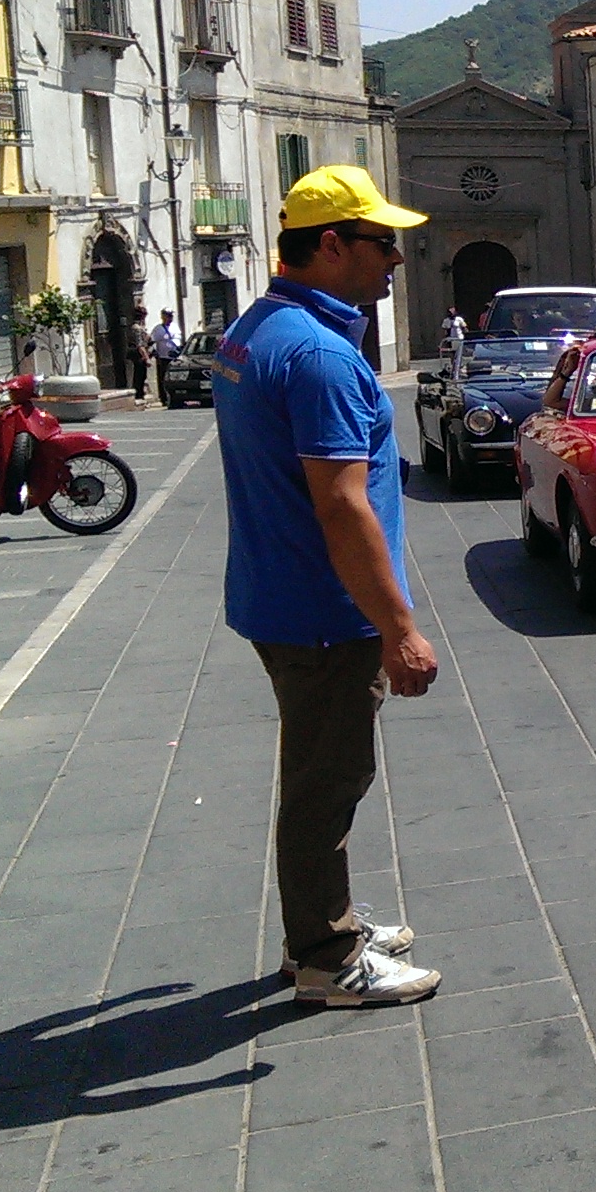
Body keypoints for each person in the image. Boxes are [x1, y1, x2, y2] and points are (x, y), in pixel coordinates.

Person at [213, 165, 441, 1005]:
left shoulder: (257, 330)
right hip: (323, 612)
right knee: (327, 784)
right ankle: (326, 956)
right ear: (333, 245)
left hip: (277, 596)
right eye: (384, 243)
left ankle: (321, 923)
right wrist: (399, 628)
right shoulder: (319, 355)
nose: (397, 259)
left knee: (316, 773)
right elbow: (343, 507)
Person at [148, 309, 183, 408]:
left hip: (175, 357)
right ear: (163, 316)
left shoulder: (175, 326)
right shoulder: (158, 329)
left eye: (171, 315)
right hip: (164, 358)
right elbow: (151, 342)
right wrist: (154, 353)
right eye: (168, 315)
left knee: (177, 377)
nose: (170, 318)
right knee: (163, 378)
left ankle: (177, 398)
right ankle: (164, 398)